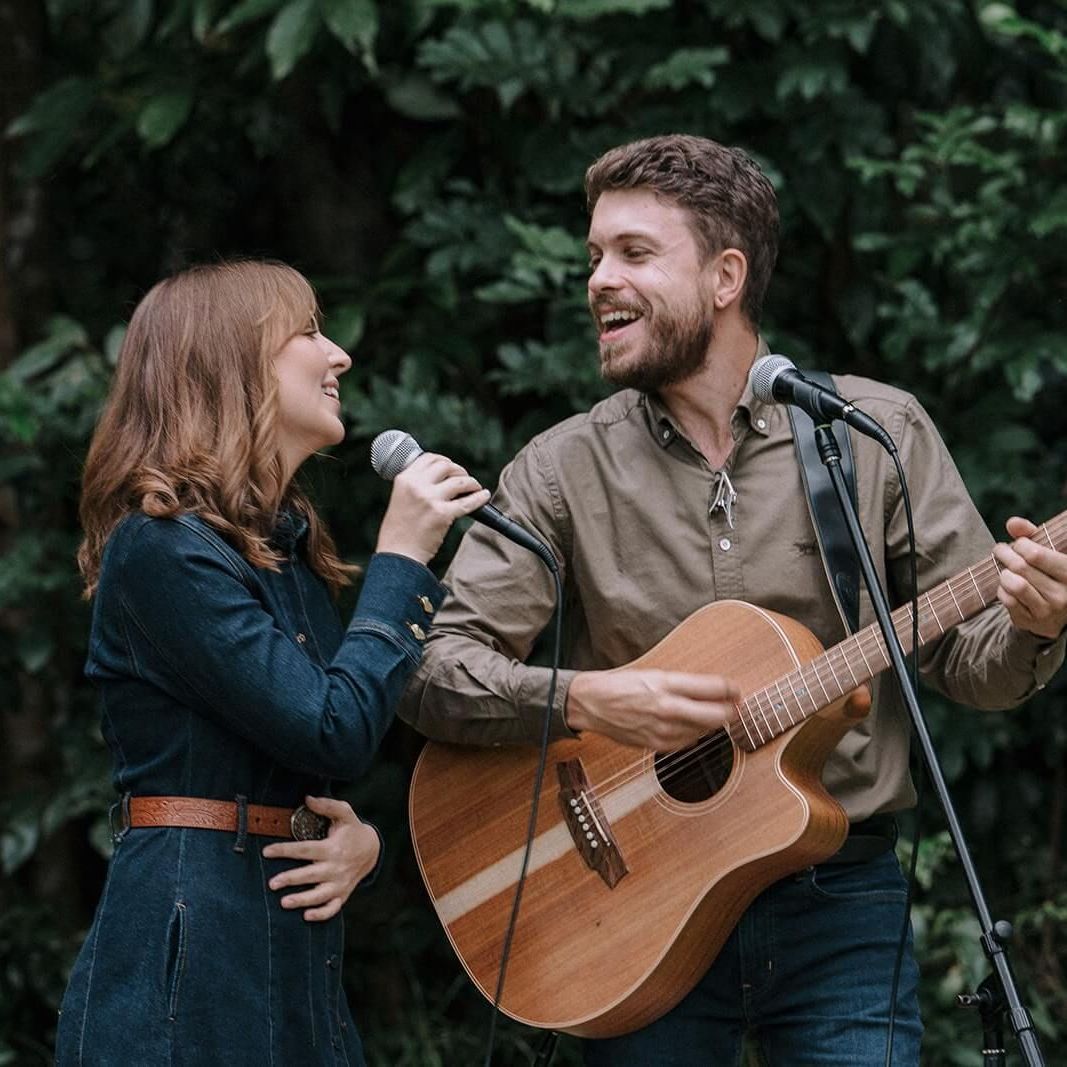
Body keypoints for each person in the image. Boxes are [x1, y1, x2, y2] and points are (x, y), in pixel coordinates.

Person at [398, 135, 1067, 1065]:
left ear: (724, 277)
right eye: (593, 254)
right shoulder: (560, 469)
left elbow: (966, 666)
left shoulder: (871, 435)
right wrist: (587, 700)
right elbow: (427, 670)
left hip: (841, 895)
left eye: (632, 253)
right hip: (625, 900)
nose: (597, 278)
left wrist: (1035, 626)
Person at [55, 259, 490, 1065]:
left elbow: (321, 736)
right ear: (233, 362)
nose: (340, 356)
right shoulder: (161, 550)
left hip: (285, 937)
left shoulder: (281, 551)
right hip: (192, 954)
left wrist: (358, 840)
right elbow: (330, 729)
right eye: (310, 331)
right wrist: (400, 557)